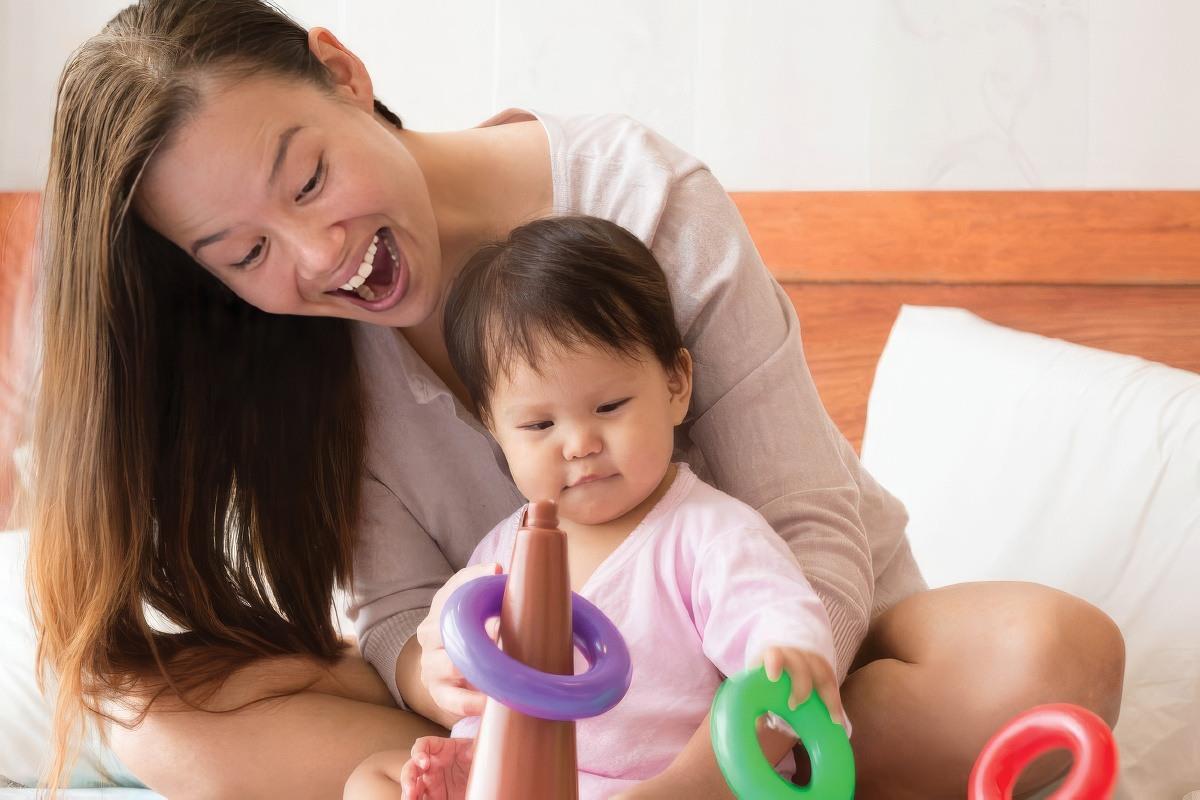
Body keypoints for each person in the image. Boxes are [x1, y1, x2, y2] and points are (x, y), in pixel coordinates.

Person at [28, 1, 1124, 797]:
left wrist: (721, 739)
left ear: (345, 70)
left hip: (795, 651)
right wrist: (437, 672)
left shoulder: (638, 195)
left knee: (1052, 655)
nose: (319, 253)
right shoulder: (302, 340)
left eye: (309, 178)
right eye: (243, 249)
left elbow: (811, 534)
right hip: (555, 713)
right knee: (154, 718)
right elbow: (402, 614)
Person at [344, 215, 849, 800]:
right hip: (531, 779)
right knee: (372, 780)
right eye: (539, 423)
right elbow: (489, 687)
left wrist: (786, 650)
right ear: (495, 428)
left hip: (657, 786)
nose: (579, 443)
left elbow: (774, 620)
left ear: (676, 384)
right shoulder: (499, 555)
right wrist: (468, 753)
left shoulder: (709, 534)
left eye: (609, 406)